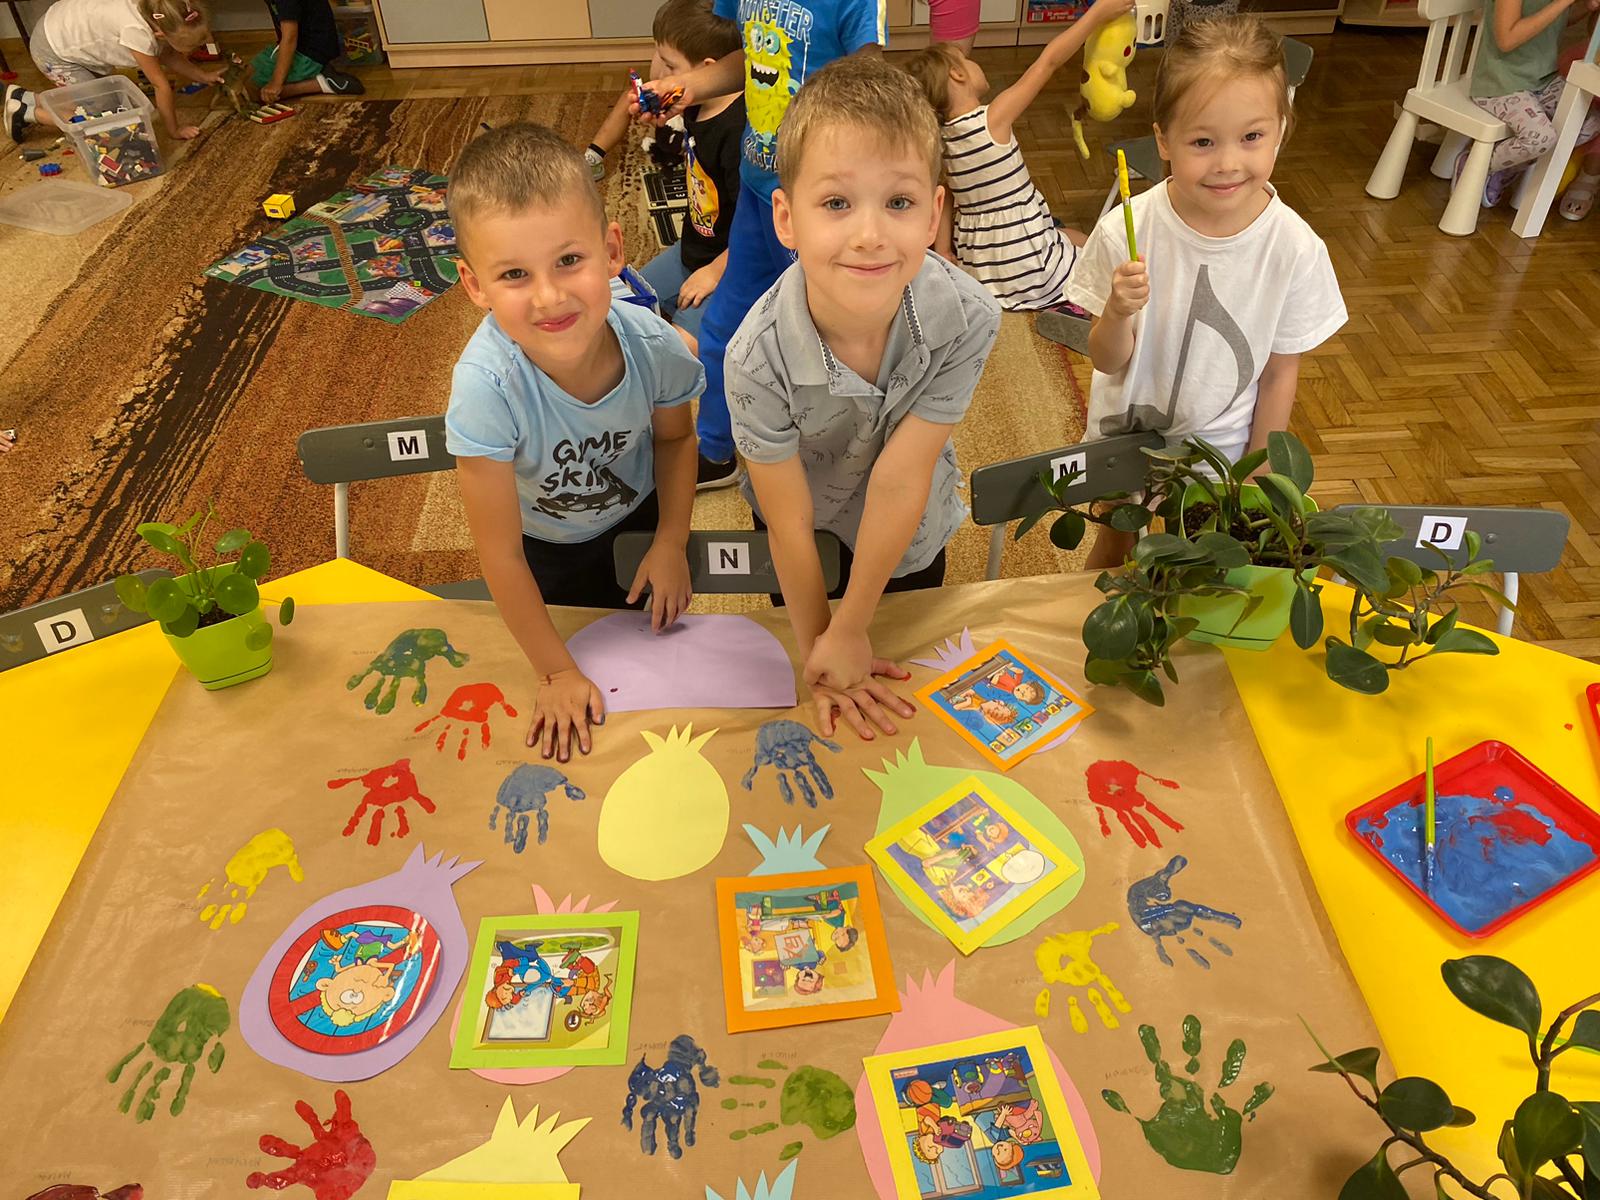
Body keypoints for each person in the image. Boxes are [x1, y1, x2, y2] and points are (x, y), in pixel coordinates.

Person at [725, 57, 1001, 740]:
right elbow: (788, 526)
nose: (871, 235)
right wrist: (826, 648)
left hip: (907, 533)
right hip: (803, 539)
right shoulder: (753, 359)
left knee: (907, 664)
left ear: (935, 212)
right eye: (838, 203)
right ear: (786, 218)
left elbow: (901, 478)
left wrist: (852, 627)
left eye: (899, 202)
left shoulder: (969, 316)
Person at [444, 123, 703, 762]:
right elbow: (498, 553)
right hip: (543, 552)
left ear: (612, 251)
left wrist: (671, 541)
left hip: (643, 526)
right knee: (588, 713)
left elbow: (676, 442)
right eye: (513, 274)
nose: (550, 296)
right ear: (474, 285)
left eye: (569, 260)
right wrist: (556, 672)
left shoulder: (654, 347)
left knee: (658, 694)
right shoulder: (485, 388)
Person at [1065, 15, 1347, 569]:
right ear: (1163, 141)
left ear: (1281, 131)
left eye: (1251, 137)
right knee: (1112, 546)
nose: (1227, 163)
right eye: (1202, 141)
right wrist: (1118, 311)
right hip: (1123, 438)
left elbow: (1279, 370)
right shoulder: (1129, 227)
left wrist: (1261, 468)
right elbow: (1103, 357)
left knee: (1197, 571)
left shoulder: (1294, 248)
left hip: (1219, 455)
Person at [634, 0, 889, 491]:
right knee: (723, 331)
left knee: (828, 344)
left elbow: (870, 86)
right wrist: (685, 88)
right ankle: (715, 451)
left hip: (815, 205)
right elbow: (750, 58)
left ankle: (844, 466)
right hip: (757, 193)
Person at [902, 0, 1133, 311]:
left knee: (1065, 233)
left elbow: (944, 197)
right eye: (968, 61)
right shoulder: (993, 118)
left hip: (983, 267)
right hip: (1029, 260)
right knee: (1083, 241)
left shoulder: (941, 139)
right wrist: (1097, 15)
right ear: (958, 75)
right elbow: (1048, 62)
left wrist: (944, 252)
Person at [632, 0, 746, 354]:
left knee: (681, 349)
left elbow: (756, 225)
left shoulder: (738, 132)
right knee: (623, 305)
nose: (658, 69)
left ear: (707, 69)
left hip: (733, 261)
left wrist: (714, 271)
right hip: (695, 246)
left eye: (668, 64)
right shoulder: (694, 102)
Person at [4, 0, 224, 143]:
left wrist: (203, 76)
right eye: (193, 45)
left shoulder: (160, 14)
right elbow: (161, 85)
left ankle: (23, 97)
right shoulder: (137, 32)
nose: (199, 47)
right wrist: (174, 130)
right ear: (160, 36)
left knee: (101, 102)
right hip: (55, 50)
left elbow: (168, 55)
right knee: (102, 120)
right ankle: (27, 113)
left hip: (64, 32)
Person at [1464, 0, 1600, 214]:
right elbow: (1506, 40)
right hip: (1501, 84)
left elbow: (1558, 20)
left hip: (1542, 80)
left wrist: (1585, 7)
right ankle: (1476, 164)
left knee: (1590, 123)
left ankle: (1507, 165)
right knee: (1541, 138)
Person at [251, 0, 365, 104]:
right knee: (246, 77)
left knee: (256, 92)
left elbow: (290, 38)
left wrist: (276, 83)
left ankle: (322, 83)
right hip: (298, 44)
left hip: (312, 51)